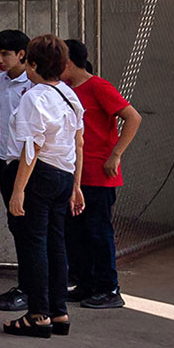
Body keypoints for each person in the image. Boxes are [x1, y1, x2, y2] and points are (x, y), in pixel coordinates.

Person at [3, 34, 84, 338]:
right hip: (64, 174)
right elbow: (79, 142)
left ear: (32, 63)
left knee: (34, 243)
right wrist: (76, 185)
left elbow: (31, 147)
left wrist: (18, 189)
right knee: (55, 242)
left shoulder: (34, 97)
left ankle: (38, 314)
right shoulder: (68, 94)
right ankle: (58, 310)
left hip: (40, 174)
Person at [64, 38, 140, 309]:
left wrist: (116, 154)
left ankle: (109, 288)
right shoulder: (68, 89)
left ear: (69, 61)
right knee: (76, 232)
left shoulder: (97, 86)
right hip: (76, 173)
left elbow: (132, 116)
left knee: (98, 231)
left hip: (98, 171)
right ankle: (86, 283)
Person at [0, 29, 34, 311]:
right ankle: (25, 284)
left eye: (6, 54)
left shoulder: (35, 83)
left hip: (29, 165)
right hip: (7, 162)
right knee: (17, 226)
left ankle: (32, 288)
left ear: (22, 55)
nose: (0, 60)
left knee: (30, 227)